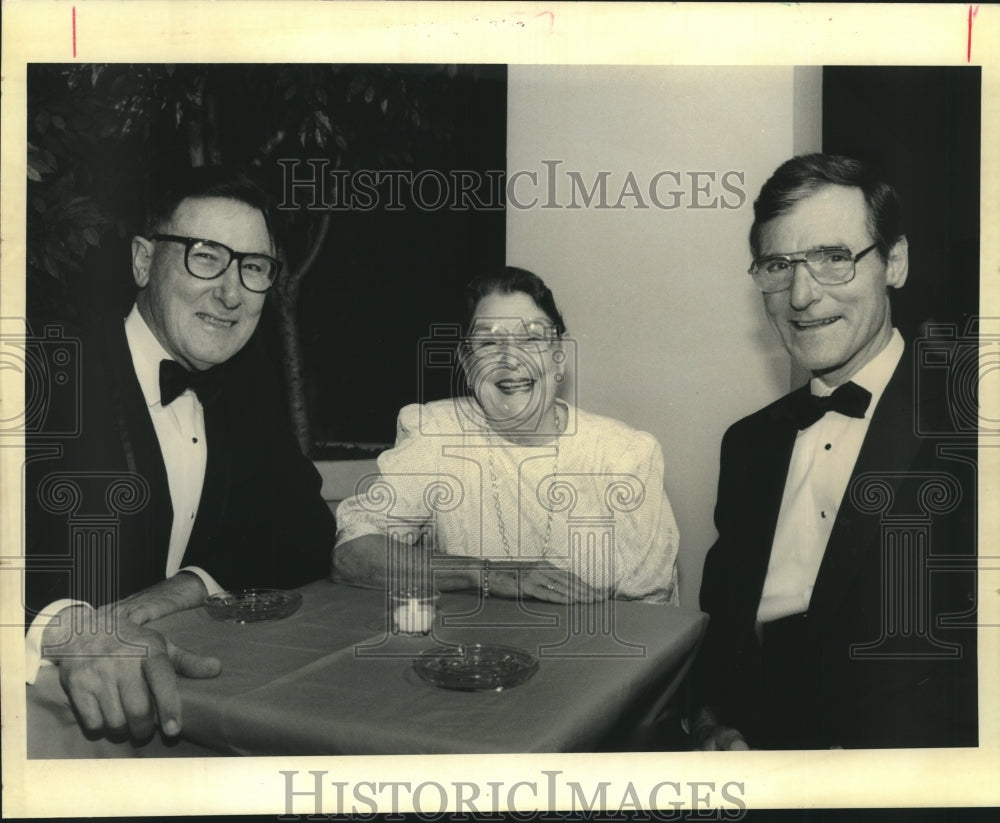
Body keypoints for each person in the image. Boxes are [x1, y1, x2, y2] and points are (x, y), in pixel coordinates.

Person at [24, 166, 337, 743]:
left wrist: (188, 585)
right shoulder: (42, 370)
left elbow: (307, 531)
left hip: (192, 715)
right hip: (36, 722)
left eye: (253, 267)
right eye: (206, 255)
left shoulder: (243, 390)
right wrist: (65, 628)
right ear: (143, 261)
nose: (231, 291)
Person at [690, 154, 977, 750]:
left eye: (832, 258)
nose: (801, 294)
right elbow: (724, 632)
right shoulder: (746, 444)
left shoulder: (971, 421)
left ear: (893, 262)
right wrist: (713, 723)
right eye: (778, 265)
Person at [333, 266, 679, 604]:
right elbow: (352, 554)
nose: (511, 359)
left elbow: (649, 618)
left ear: (559, 359)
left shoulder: (626, 455)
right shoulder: (435, 433)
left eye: (531, 339)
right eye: (488, 342)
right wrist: (487, 574)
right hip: (467, 653)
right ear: (467, 365)